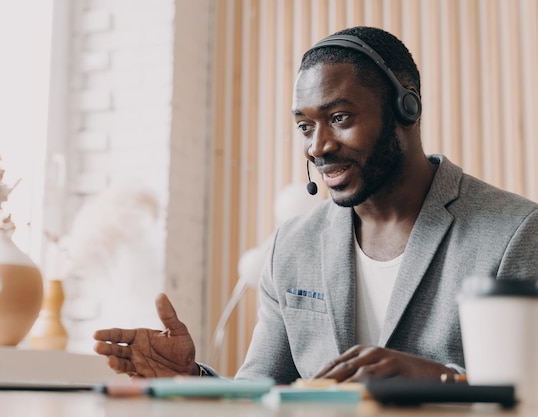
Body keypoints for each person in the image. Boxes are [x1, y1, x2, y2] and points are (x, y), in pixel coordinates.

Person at [93, 26, 538, 384]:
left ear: (407, 108)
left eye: (339, 118)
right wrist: (191, 379)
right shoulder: (292, 245)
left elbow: (528, 392)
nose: (318, 146)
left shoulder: (513, 232)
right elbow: (262, 390)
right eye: (305, 126)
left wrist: (440, 380)